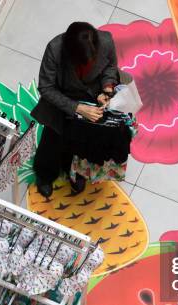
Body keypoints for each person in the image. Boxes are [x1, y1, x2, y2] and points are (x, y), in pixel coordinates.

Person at [31, 22, 119, 198]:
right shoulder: (55, 49)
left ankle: (75, 171)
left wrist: (107, 89)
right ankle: (45, 175)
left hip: (92, 96)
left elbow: (110, 67)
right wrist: (77, 108)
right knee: (52, 141)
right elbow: (46, 88)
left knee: (84, 141)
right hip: (63, 98)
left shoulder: (106, 41)